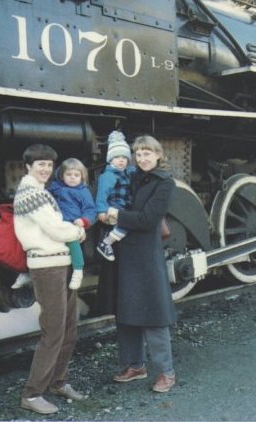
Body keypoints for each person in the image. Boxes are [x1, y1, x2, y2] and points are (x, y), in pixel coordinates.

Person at [13, 144, 86, 415]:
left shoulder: (41, 192)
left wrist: (70, 232)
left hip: (60, 263)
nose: (45, 169)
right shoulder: (31, 194)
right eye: (40, 164)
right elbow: (56, 229)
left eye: (48, 164)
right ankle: (32, 394)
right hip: (47, 268)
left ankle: (58, 381)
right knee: (54, 330)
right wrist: (77, 231)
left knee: (68, 328)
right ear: (28, 166)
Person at [106, 135, 177, 393]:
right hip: (124, 252)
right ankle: (135, 366)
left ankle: (167, 372)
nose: (142, 158)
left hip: (146, 255)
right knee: (126, 313)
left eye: (147, 153)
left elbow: (148, 219)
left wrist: (117, 215)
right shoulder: (131, 176)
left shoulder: (165, 182)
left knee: (154, 315)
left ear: (158, 155)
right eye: (138, 154)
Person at [48, 158, 97, 289]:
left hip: (72, 224)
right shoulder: (55, 187)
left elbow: (90, 209)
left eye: (76, 175)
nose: (72, 178)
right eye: (68, 174)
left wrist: (83, 221)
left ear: (82, 177)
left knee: (73, 244)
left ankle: (78, 270)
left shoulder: (83, 192)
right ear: (61, 175)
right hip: (56, 224)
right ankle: (26, 270)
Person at [95, 130, 135, 261]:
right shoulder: (108, 176)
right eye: (117, 157)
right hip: (115, 207)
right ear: (111, 159)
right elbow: (102, 194)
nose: (121, 160)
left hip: (125, 207)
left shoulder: (128, 172)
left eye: (124, 157)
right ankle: (106, 243)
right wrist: (101, 211)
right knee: (126, 225)